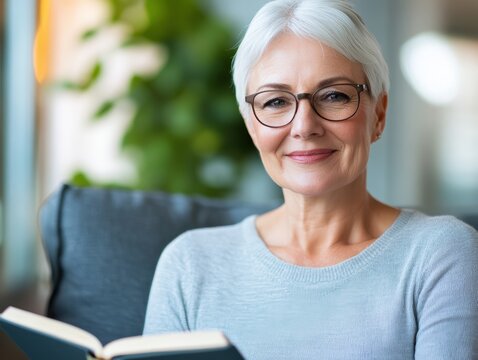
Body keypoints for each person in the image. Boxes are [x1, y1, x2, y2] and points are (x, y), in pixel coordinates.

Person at [143, 0, 478, 359]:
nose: (304, 126)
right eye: (275, 102)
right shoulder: (189, 265)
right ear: (251, 127)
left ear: (378, 114)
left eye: (334, 96)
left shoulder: (440, 253)